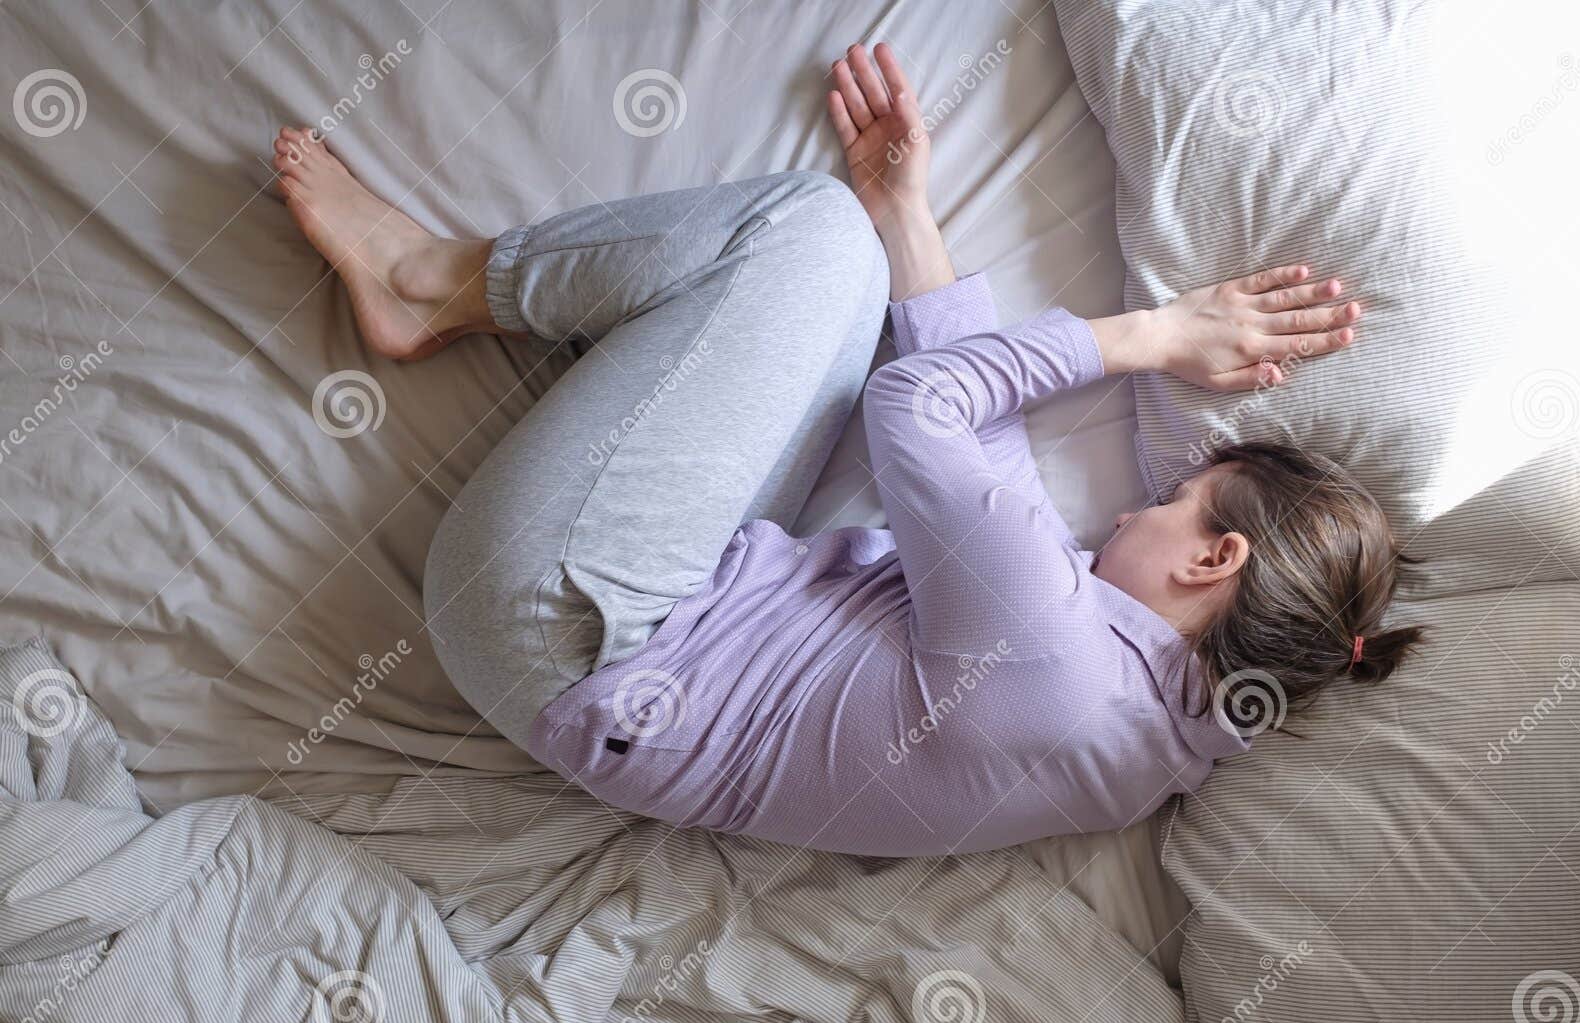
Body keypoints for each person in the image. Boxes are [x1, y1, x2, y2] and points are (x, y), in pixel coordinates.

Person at [270, 43, 1419, 857]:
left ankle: (427, 284)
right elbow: (983, 472)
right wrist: (905, 211)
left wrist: (1151, 336)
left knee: (805, 232)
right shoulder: (1136, 736)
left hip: (570, 624)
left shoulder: (1060, 660)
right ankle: (473, 290)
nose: (1126, 514)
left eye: (1174, 502)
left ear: (1211, 562)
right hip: (630, 642)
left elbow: (920, 408)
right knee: (856, 246)